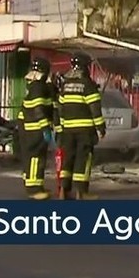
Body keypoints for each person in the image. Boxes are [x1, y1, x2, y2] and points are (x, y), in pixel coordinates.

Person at [55, 53, 105, 200]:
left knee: (68, 160)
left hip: (68, 131)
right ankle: (81, 193)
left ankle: (63, 191)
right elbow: (95, 109)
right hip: (85, 130)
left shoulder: (65, 85)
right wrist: (100, 128)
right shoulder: (88, 85)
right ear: (85, 67)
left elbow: (61, 108)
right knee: (83, 160)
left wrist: (62, 128)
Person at [17, 57, 58, 200]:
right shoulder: (38, 87)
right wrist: (45, 128)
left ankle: (37, 186)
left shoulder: (34, 85)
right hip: (34, 129)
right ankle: (34, 190)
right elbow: (38, 109)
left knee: (34, 159)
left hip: (29, 128)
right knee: (35, 159)